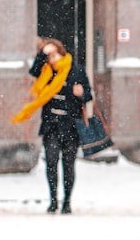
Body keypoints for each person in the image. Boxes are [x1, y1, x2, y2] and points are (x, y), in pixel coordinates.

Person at [11, 38, 93, 215]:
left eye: (54, 54)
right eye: (49, 56)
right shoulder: (45, 72)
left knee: (69, 165)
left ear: (61, 52)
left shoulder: (76, 70)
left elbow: (88, 94)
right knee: (51, 162)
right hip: (51, 126)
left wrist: (81, 93)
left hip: (71, 126)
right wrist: (42, 53)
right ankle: (53, 200)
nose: (52, 59)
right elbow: (33, 71)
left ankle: (67, 201)